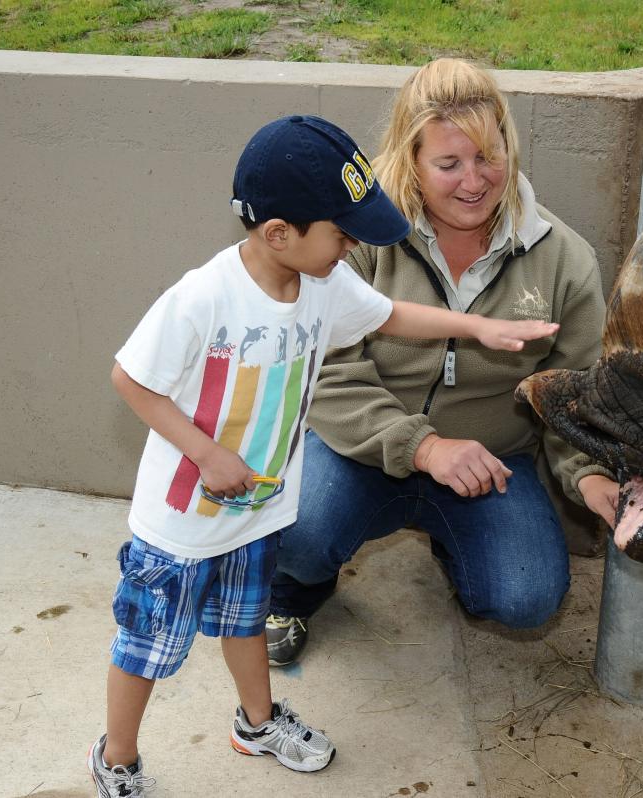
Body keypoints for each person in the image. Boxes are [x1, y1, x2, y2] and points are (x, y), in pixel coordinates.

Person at [88, 114, 561, 797]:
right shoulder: (203, 298)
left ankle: (256, 722)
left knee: (246, 623)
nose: (351, 246)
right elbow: (129, 378)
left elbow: (390, 315)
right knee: (148, 649)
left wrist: (477, 325)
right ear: (279, 233)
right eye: (341, 232)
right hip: (182, 524)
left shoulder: (321, 284)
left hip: (257, 509)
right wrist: (204, 453)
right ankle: (117, 757)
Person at [265, 59, 621, 667]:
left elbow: (574, 392)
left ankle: (458, 548)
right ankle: (295, 590)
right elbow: (326, 369)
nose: (475, 181)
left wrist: (587, 474)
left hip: (492, 464)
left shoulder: (566, 261)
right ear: (411, 161)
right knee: (293, 532)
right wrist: (424, 448)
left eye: (488, 155)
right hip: (360, 448)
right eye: (449, 164)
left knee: (527, 594)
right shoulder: (356, 240)